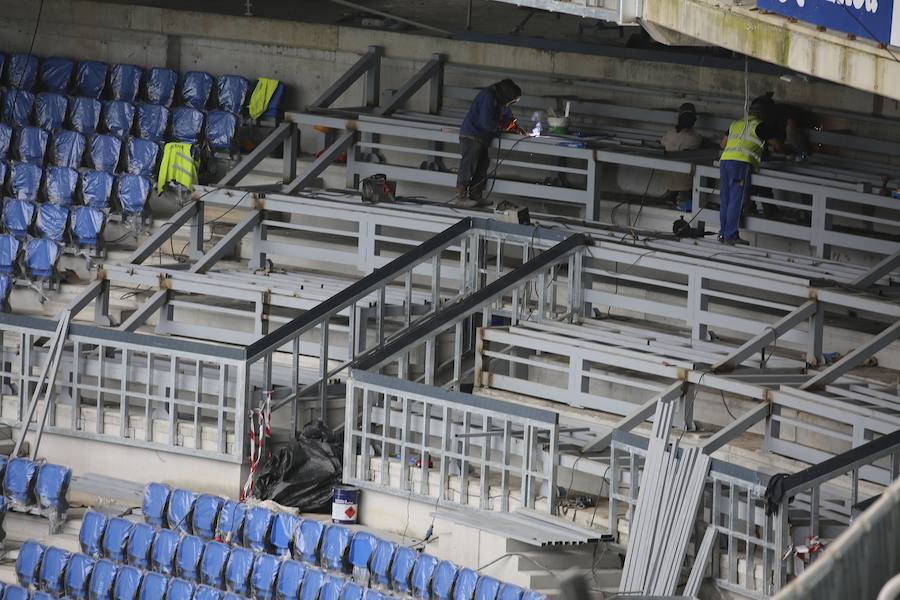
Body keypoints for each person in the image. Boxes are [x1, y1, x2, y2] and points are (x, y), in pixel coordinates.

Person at [453, 79, 526, 208]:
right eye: (512, 100)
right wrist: (501, 128)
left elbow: (507, 116)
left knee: (482, 167)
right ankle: (461, 198)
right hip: (471, 136)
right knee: (468, 166)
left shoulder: (501, 99)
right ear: (507, 95)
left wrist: (515, 127)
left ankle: (476, 196)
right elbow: (485, 122)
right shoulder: (488, 96)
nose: (511, 103)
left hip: (482, 139)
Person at [717, 97, 781, 245]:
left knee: (725, 199)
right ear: (764, 114)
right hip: (740, 164)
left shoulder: (736, 124)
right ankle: (731, 235)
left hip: (725, 161)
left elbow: (722, 144)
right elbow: (777, 146)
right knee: (736, 199)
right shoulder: (760, 126)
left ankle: (723, 233)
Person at [660, 103, 704, 212]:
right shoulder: (694, 138)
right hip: (680, 184)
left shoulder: (672, 134)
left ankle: (674, 197)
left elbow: (665, 144)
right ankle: (674, 197)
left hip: (679, 184)